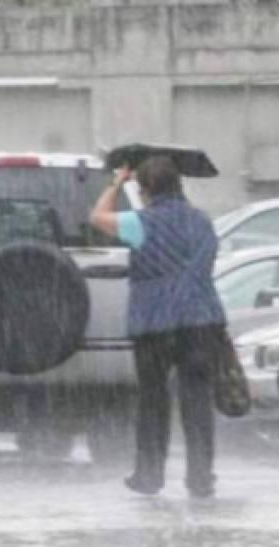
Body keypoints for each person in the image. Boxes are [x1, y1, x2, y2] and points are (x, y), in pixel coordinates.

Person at [90, 155, 227, 498]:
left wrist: (115, 183)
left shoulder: (140, 222)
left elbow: (97, 218)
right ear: (179, 186)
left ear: (145, 189)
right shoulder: (202, 222)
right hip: (201, 320)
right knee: (197, 400)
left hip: (154, 323)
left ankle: (149, 475)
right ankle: (200, 477)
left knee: (153, 400)